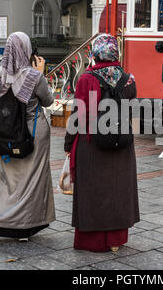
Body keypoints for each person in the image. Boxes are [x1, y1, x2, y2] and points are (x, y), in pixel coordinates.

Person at [64, 34, 140, 253]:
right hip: (122, 144)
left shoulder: (86, 78)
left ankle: (93, 241)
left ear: (95, 53)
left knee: (93, 191)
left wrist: (69, 144)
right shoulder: (129, 79)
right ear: (116, 52)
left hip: (92, 145)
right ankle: (115, 240)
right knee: (118, 190)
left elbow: (78, 114)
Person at [0, 32, 55, 243]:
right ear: (25, 49)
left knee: (5, 179)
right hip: (32, 133)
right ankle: (22, 227)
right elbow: (48, 101)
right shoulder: (34, 76)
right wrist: (40, 72)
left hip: (5, 133)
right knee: (30, 179)